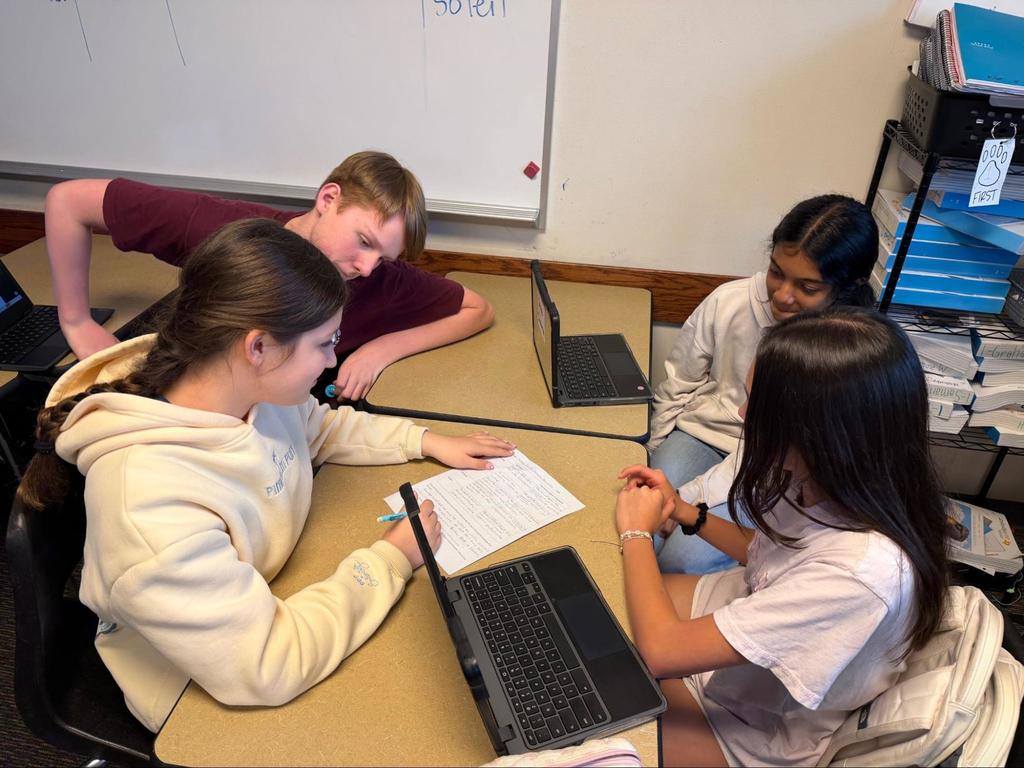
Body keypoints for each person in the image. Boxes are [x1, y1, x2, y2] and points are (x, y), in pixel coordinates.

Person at [16, 218, 515, 733]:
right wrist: (390, 559)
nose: (329, 363)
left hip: (267, 595)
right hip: (197, 691)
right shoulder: (149, 504)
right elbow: (267, 666)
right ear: (257, 347)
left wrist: (425, 441)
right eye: (324, 344)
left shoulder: (243, 388)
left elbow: (318, 428)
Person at [615, 307, 950, 767]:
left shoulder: (860, 573)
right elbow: (767, 555)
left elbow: (661, 653)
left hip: (750, 732)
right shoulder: (831, 482)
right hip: (738, 639)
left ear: (820, 432)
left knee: (606, 669)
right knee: (605, 605)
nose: (742, 412)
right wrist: (685, 513)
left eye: (756, 404)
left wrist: (634, 531)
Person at [43, 150, 495, 400]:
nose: (367, 267)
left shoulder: (378, 279)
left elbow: (478, 308)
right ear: (328, 199)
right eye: (363, 241)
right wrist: (77, 322)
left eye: (385, 257)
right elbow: (68, 201)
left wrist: (380, 350)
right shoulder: (234, 233)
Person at [648, 194, 878, 575]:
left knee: (677, 559)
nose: (782, 296)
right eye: (776, 272)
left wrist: (687, 498)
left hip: (780, 464)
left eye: (807, 287)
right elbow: (679, 382)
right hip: (708, 437)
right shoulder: (731, 302)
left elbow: (770, 455)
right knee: (646, 521)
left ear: (845, 288)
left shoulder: (844, 352)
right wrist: (658, 462)